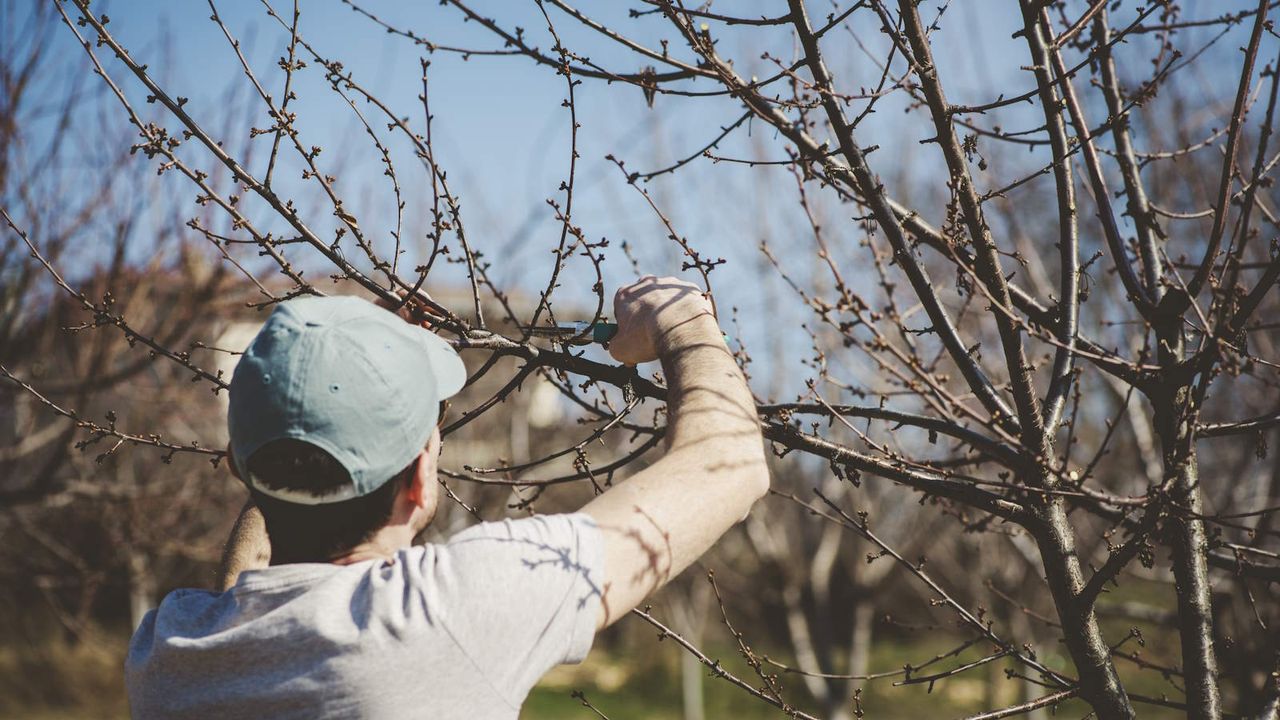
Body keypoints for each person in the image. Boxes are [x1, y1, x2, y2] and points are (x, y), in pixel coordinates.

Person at [125, 276, 769, 719]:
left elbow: (251, 580)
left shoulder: (169, 652)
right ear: (419, 482)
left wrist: (354, 382)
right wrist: (683, 321)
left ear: (240, 467)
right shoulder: (450, 611)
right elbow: (728, 464)